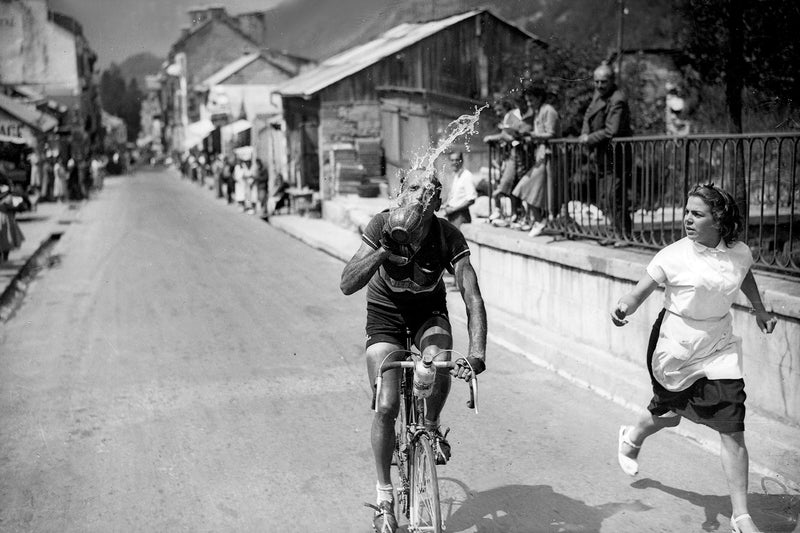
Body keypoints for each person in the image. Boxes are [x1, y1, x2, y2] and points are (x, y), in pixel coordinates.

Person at [610, 184, 777, 533]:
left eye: (696, 213)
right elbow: (640, 291)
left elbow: (744, 277)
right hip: (676, 345)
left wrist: (760, 311)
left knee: (732, 428)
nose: (687, 218)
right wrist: (624, 308)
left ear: (719, 219)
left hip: (719, 345)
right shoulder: (673, 255)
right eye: (686, 211)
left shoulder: (740, 252)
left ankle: (741, 515)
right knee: (669, 416)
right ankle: (633, 436)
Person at [340, 167, 487, 533]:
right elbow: (346, 283)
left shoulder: (447, 236)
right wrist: (385, 249)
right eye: (416, 187)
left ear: (438, 202)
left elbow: (472, 296)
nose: (424, 194)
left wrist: (477, 355)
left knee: (438, 361)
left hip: (427, 313)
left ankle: (432, 427)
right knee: (387, 404)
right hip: (385, 316)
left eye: (432, 190)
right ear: (401, 192)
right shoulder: (382, 224)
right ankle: (384, 496)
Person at [579, 62, 633, 241]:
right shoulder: (599, 95)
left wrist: (589, 139)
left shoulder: (617, 99)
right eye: (596, 82)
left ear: (612, 81)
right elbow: (588, 115)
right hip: (602, 156)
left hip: (617, 156)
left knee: (614, 196)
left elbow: (612, 130)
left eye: (603, 82)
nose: (599, 86)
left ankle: (622, 235)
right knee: (606, 196)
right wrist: (585, 132)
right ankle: (614, 233)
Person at [512, 84, 561, 237]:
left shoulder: (549, 111)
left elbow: (551, 134)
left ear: (539, 98)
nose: (529, 104)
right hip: (540, 157)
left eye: (531, 100)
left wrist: (531, 135)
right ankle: (540, 221)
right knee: (533, 190)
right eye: (527, 101)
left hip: (549, 157)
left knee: (526, 187)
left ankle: (541, 221)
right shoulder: (539, 111)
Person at [441, 151, 477, 227]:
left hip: (460, 216)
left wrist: (453, 209)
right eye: (452, 160)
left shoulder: (466, 176)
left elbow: (471, 199)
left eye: (457, 160)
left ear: (462, 161)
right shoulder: (455, 176)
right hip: (452, 216)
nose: (454, 162)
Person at [0, 178, 25, 263]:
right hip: (5, 219)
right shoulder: (8, 197)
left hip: (6, 219)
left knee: (6, 239)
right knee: (5, 239)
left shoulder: (8, 196)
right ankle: (4, 259)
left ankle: (5, 259)